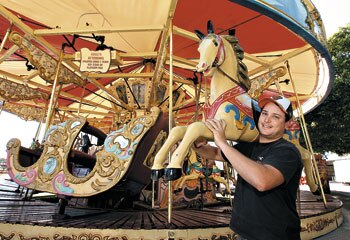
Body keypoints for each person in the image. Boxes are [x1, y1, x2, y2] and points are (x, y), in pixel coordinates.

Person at [193, 95, 303, 240]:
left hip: (275, 234)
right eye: (264, 113)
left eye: (275, 117)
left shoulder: (287, 151)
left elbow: (262, 182)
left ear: (287, 124)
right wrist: (197, 144)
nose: (267, 120)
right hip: (244, 232)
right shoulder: (249, 147)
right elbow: (215, 153)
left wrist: (223, 142)